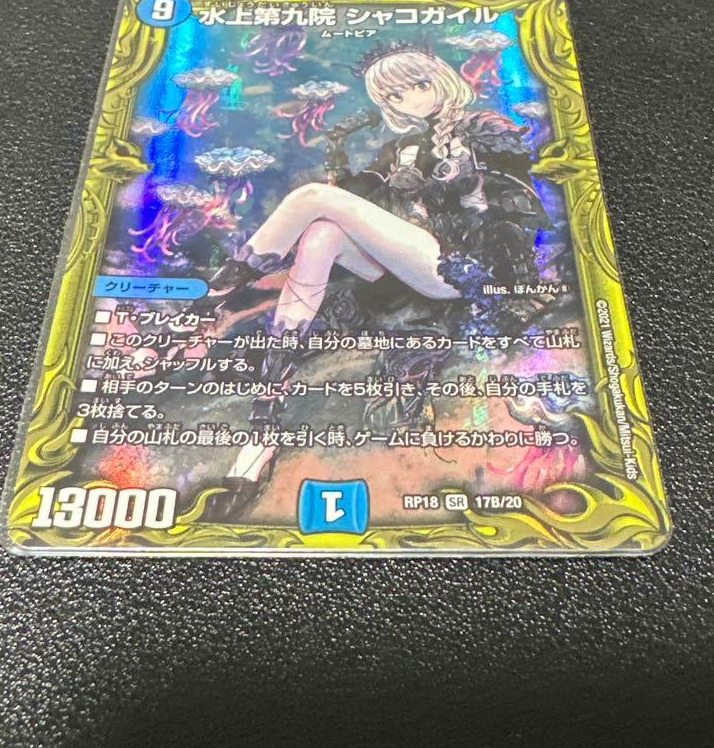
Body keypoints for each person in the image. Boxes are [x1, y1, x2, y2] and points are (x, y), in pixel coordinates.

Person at [202, 42, 551, 520]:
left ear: (439, 79)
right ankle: (265, 423)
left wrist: (513, 285)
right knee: (322, 233)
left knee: (311, 199)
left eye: (417, 85)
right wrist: (343, 165)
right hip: (405, 269)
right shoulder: (399, 149)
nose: (409, 99)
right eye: (394, 95)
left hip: (461, 268)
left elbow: (515, 208)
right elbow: (356, 199)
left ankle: (216, 295)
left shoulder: (484, 129)